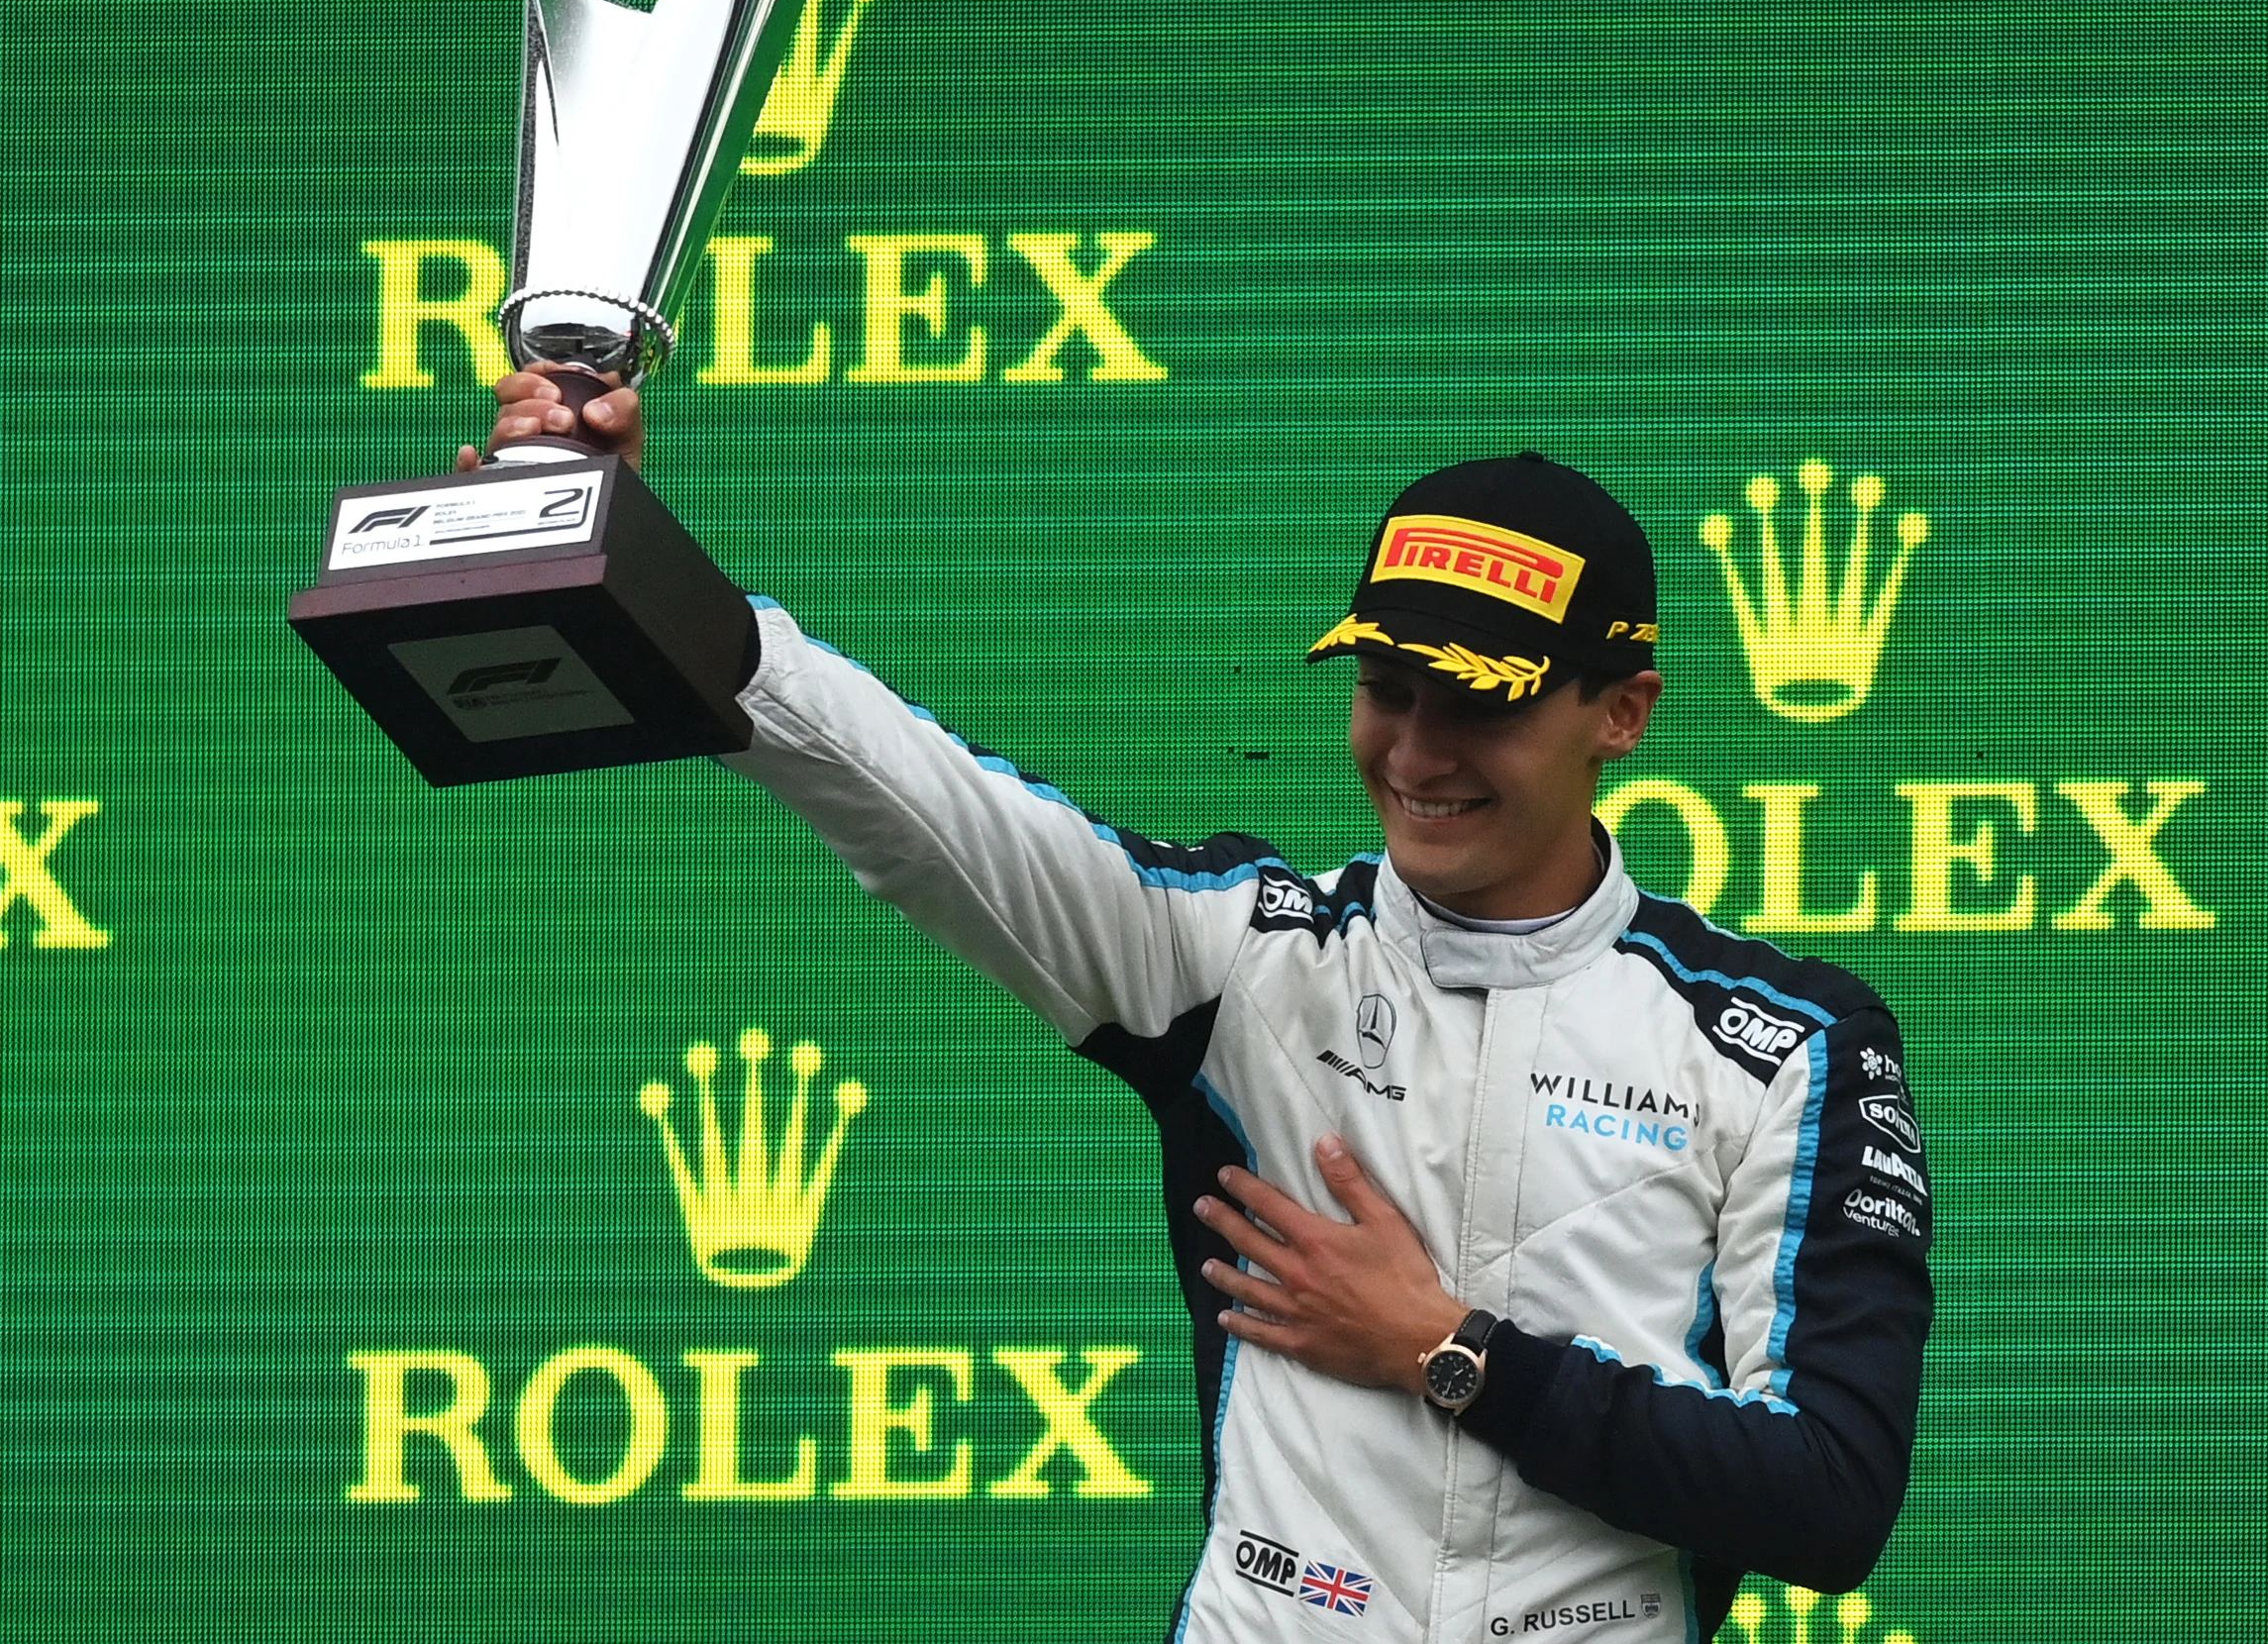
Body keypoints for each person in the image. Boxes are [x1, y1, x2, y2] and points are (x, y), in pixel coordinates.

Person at [471, 372, 1934, 1642]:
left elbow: (1827, 1500)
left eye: (1479, 698)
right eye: (1384, 686)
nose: (1417, 751)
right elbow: (908, 797)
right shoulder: (1245, 954)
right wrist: (613, 550)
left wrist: (1450, 1348)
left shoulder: (1785, 1043)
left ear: (1621, 712)